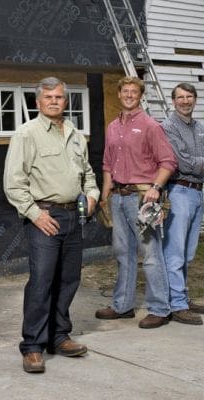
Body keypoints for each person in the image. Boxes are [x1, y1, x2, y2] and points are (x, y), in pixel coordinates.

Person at [4, 77, 99, 374]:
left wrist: (93, 196)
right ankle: (32, 346)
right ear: (38, 102)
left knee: (69, 279)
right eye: (49, 97)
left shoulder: (74, 133)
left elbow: (89, 175)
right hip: (45, 218)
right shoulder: (26, 134)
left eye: (59, 97)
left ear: (65, 101)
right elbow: (13, 182)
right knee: (42, 281)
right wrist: (34, 214)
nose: (55, 101)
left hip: (74, 216)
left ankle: (59, 337)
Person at [95, 76, 177, 329]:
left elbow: (168, 162)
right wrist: (105, 193)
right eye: (125, 91)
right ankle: (123, 306)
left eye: (134, 91)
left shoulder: (151, 125)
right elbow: (108, 164)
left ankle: (161, 308)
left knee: (150, 254)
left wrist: (155, 188)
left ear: (140, 95)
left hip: (142, 198)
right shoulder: (112, 127)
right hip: (118, 197)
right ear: (119, 94)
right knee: (122, 253)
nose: (129, 95)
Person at [162, 83, 204, 325]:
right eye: (180, 97)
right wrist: (198, 162)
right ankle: (176, 305)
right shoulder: (167, 126)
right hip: (178, 190)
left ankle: (182, 298)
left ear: (195, 100)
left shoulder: (199, 127)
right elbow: (182, 163)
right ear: (173, 100)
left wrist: (197, 162)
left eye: (189, 97)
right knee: (175, 252)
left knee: (188, 252)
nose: (185, 101)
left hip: (198, 192)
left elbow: (194, 161)